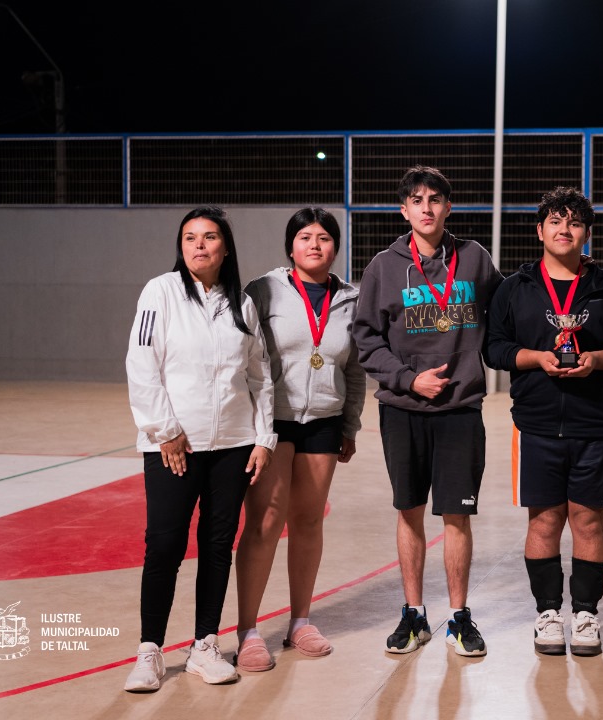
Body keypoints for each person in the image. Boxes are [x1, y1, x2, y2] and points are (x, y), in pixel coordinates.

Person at [484, 186, 603, 657]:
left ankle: (587, 614)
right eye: (555, 221)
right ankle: (548, 613)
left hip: (595, 424)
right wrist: (537, 358)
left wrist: (598, 359)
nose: (564, 230)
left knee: (588, 522)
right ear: (540, 230)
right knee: (544, 521)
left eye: (574, 222)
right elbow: (494, 349)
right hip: (536, 425)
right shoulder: (515, 288)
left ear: (586, 233)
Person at [123, 206, 277, 692]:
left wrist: (264, 437)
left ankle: (204, 646)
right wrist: (165, 431)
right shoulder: (160, 292)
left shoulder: (241, 304)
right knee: (164, 545)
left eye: (209, 237)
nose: (199, 245)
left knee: (216, 546)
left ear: (225, 248)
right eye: (190, 237)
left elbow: (260, 376)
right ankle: (149, 651)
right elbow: (141, 365)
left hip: (233, 446)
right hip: (174, 447)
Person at [353, 165, 503, 657]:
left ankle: (459, 618)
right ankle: (414, 615)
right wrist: (407, 378)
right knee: (410, 510)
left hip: (460, 409)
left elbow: (506, 311)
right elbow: (366, 339)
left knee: (457, 516)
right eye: (416, 200)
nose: (426, 208)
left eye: (435, 199)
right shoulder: (384, 267)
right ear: (404, 210)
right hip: (404, 409)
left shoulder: (474, 258)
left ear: (448, 207)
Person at [234, 208, 366, 671]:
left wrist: (350, 425)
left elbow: (354, 368)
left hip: (324, 420)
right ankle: (248, 630)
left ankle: (300, 622)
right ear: (290, 246)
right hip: (272, 420)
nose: (315, 244)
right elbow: (245, 358)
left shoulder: (351, 299)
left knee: (308, 521)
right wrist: (253, 426)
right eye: (305, 237)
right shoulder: (263, 290)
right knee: (265, 522)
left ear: (336, 248)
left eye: (324, 238)